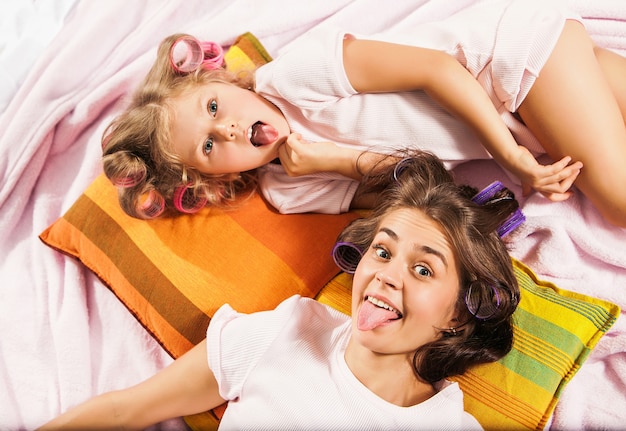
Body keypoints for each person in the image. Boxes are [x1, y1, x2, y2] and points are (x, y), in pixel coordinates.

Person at [37, 152, 521, 430]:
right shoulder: (286, 331)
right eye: (383, 252)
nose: (387, 275)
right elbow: (126, 409)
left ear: (458, 316)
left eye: (422, 270)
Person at [102, 0, 626, 227]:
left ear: (217, 82)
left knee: (620, 203)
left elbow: (438, 70)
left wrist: (510, 156)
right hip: (527, 117)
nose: (230, 127)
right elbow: (423, 188)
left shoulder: (291, 77)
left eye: (213, 107)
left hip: (503, 60)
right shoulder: (291, 190)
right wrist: (338, 161)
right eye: (210, 145)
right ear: (209, 179)